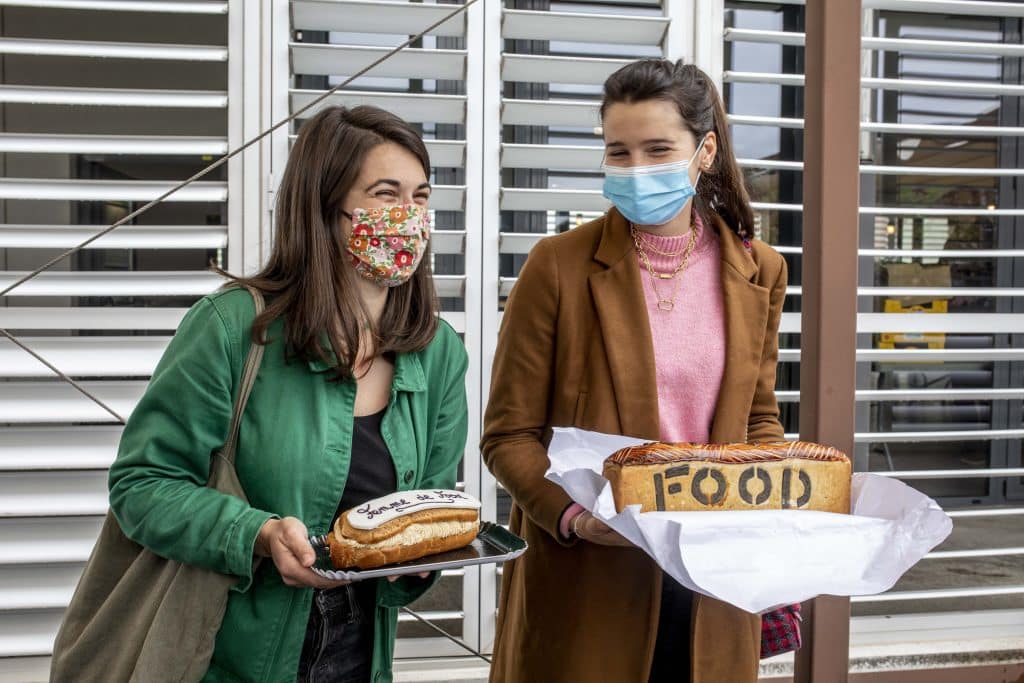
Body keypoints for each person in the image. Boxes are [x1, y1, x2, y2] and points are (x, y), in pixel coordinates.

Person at [107, 105, 469, 683]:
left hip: (359, 656)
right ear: (326, 211)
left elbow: (423, 508)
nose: (409, 217)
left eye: (420, 197)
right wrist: (258, 534)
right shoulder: (231, 329)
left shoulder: (439, 352)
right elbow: (142, 485)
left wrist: (421, 561)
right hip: (223, 653)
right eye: (385, 193)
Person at [481, 59, 788, 683]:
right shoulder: (558, 266)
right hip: (588, 579)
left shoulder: (760, 269)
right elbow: (508, 435)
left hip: (714, 580)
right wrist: (574, 518)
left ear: (703, 152)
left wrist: (776, 494)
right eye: (618, 152)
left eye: (657, 149)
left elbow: (758, 419)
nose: (636, 168)